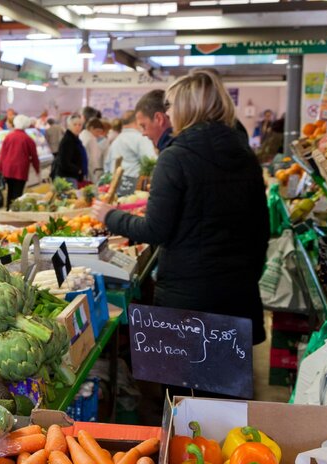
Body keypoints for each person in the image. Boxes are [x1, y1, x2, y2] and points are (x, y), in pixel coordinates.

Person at [91, 70, 269, 349]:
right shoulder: (245, 155)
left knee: (183, 387)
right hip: (238, 293)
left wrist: (109, 215)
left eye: (172, 105)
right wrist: (246, 276)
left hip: (190, 297)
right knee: (226, 383)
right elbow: (261, 230)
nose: (170, 113)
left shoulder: (175, 157)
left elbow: (155, 229)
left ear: (187, 108)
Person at [104, 110, 157, 195]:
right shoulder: (141, 139)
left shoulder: (116, 140)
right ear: (137, 121)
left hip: (115, 188)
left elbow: (107, 165)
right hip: (133, 190)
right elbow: (152, 161)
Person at [0, 115, 40, 209]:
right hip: (21, 170)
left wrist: (0, 169)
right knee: (18, 192)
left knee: (10, 191)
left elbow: (2, 154)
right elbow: (34, 157)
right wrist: (37, 170)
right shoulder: (28, 139)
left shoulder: (8, 137)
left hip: (8, 169)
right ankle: (15, 211)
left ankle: (8, 210)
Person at [54, 115, 86, 186]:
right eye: (75, 125)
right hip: (67, 177)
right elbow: (64, 162)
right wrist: (78, 170)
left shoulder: (75, 139)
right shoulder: (68, 140)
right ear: (69, 126)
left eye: (80, 125)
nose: (78, 127)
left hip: (71, 176)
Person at [83, 118, 108, 183]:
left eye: (100, 132)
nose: (98, 134)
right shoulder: (91, 139)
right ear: (91, 128)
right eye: (97, 131)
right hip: (92, 171)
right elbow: (93, 160)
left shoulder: (82, 135)